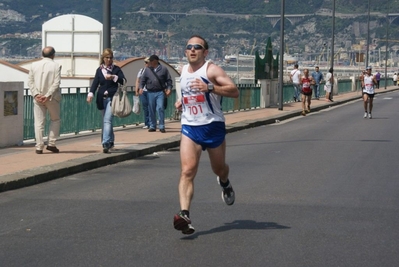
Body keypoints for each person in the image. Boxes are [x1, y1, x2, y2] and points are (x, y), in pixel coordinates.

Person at [172, 35, 239, 235]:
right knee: (187, 171)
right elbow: (187, 93)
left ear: (205, 52)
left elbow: (234, 91)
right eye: (189, 47)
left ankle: (225, 183)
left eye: (197, 47)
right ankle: (184, 215)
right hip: (190, 127)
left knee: (219, 169)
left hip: (212, 126)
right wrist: (182, 101)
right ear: (185, 51)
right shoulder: (182, 70)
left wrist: (209, 87)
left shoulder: (212, 70)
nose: (193, 50)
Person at [87, 48, 126, 153]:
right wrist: (90, 94)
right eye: (107, 57)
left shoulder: (116, 69)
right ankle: (111, 141)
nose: (109, 59)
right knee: (106, 121)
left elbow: (123, 80)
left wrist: (113, 77)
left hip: (112, 98)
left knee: (107, 120)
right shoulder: (99, 70)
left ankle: (105, 142)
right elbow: (95, 83)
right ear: (103, 58)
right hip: (101, 98)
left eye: (110, 58)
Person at [28, 46, 62, 154]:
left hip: (38, 98)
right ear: (53, 55)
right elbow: (56, 83)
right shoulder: (56, 66)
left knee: (39, 123)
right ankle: (51, 144)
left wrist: (36, 94)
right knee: (55, 119)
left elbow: (30, 81)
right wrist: (47, 95)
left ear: (42, 54)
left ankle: (39, 146)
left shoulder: (34, 65)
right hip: (52, 98)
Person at [139, 55, 173, 133]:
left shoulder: (164, 69)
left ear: (156, 61)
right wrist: (141, 88)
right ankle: (152, 125)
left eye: (151, 61)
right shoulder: (147, 70)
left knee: (160, 108)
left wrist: (169, 89)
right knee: (151, 109)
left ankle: (161, 126)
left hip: (160, 92)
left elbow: (169, 80)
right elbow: (142, 80)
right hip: (150, 92)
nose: (150, 62)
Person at [135, 57, 150, 129]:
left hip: (151, 91)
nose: (146, 64)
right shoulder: (141, 71)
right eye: (145, 62)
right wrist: (136, 90)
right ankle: (147, 123)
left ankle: (151, 122)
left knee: (151, 107)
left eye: (147, 62)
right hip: (143, 91)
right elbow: (138, 80)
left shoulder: (153, 71)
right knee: (145, 107)